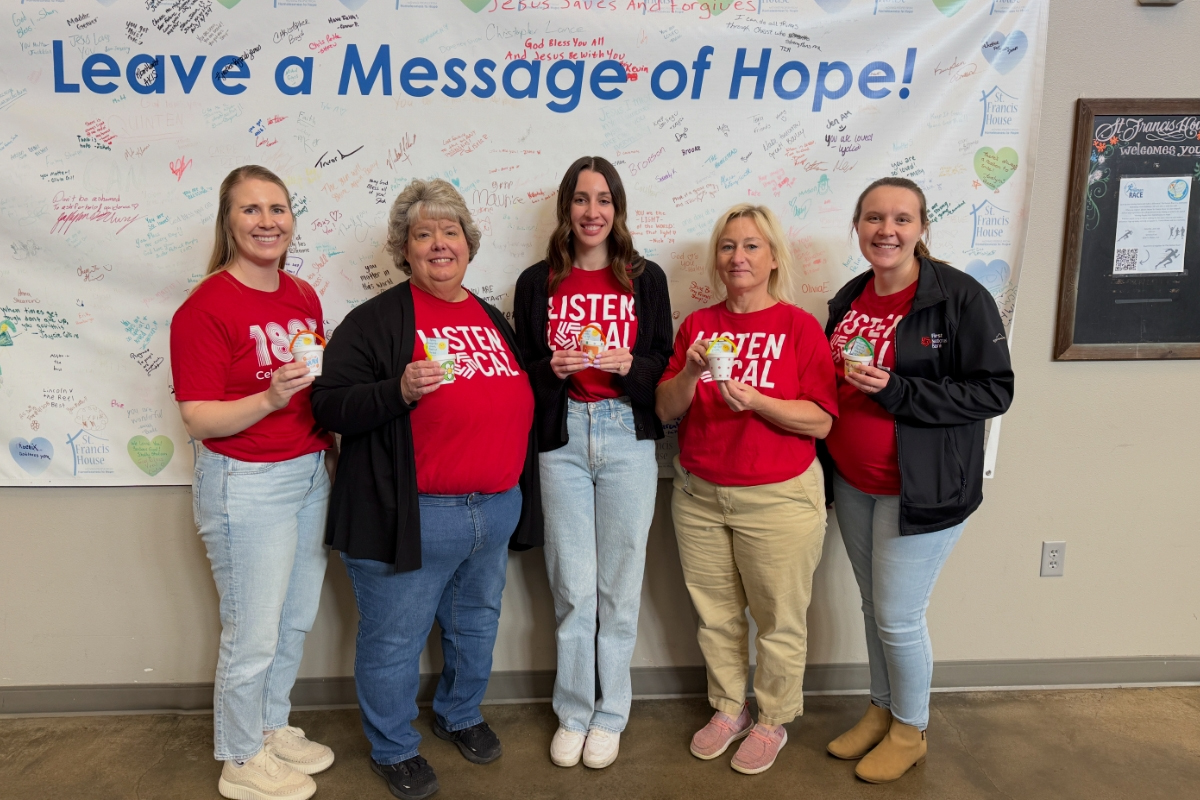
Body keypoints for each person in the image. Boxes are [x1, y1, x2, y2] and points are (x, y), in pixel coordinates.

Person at [310, 179, 541, 800]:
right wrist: (399, 391)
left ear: (469, 244)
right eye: (423, 234)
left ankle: (459, 713)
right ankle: (393, 747)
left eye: (450, 232)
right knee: (394, 639)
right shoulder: (375, 321)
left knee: (476, 625)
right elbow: (328, 406)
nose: (440, 243)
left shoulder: (491, 316)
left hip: (493, 510)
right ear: (404, 250)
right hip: (411, 515)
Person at [821, 177, 1014, 783]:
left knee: (900, 616)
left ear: (922, 228)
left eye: (902, 219)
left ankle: (912, 729)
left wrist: (900, 390)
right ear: (857, 227)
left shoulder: (958, 297)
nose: (887, 231)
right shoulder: (850, 296)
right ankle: (881, 712)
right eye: (874, 218)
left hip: (922, 488)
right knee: (875, 605)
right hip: (855, 481)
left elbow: (994, 390)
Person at [655, 204, 838, 775]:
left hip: (779, 496)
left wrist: (758, 401)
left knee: (780, 617)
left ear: (774, 257)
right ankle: (728, 708)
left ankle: (772, 720)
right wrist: (688, 372)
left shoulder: (798, 327)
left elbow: (822, 421)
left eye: (752, 246)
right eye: (729, 246)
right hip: (700, 495)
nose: (739, 256)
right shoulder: (698, 326)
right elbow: (665, 408)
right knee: (716, 616)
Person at [170, 165, 334, 800]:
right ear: (228, 223)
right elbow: (199, 416)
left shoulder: (302, 295)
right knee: (253, 627)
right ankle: (239, 759)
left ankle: (269, 726)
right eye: (251, 210)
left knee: (293, 619)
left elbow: (315, 387)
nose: (268, 221)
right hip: (246, 484)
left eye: (278, 208)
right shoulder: (205, 307)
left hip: (308, 473)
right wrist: (268, 398)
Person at [512, 156, 674, 769]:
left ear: (618, 209)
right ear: (566, 208)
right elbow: (522, 368)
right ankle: (574, 711)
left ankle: (612, 715)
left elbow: (663, 356)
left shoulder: (645, 277)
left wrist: (630, 366)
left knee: (619, 587)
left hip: (627, 435)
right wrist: (548, 372)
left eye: (603, 200)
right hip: (562, 440)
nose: (592, 212)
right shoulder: (538, 282)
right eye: (581, 200)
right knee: (573, 587)